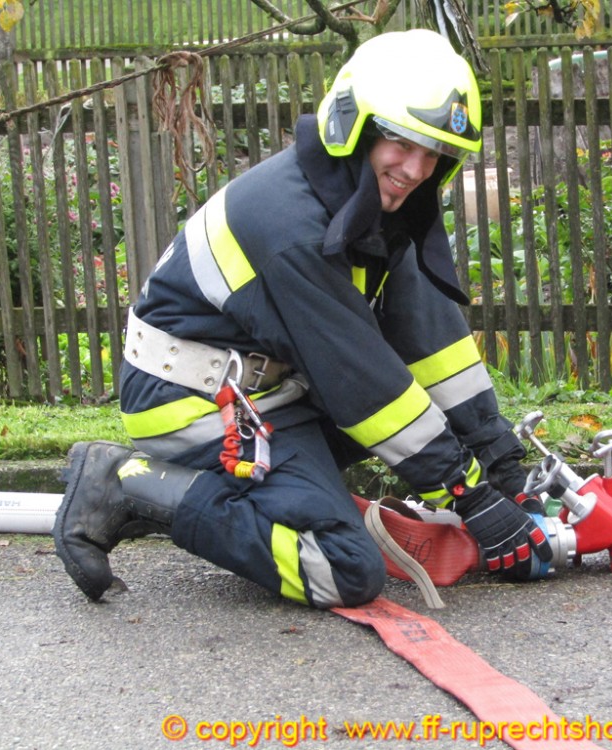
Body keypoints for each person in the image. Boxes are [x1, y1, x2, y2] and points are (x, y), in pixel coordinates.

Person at [53, 29, 552, 609]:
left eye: (435, 152)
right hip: (188, 401)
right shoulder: (290, 228)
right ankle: (122, 479)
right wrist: (470, 497)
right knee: (343, 570)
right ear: (354, 123)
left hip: (269, 393)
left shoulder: (372, 202)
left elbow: (433, 345)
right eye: (401, 141)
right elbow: (366, 388)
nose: (417, 168)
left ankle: (183, 495)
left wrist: (503, 471)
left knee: (401, 433)